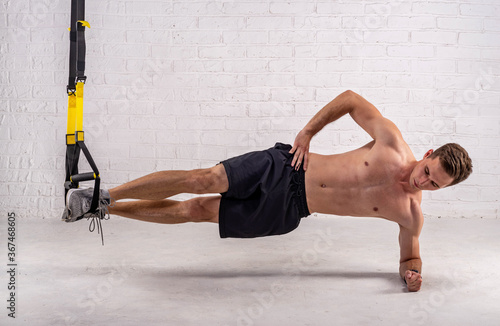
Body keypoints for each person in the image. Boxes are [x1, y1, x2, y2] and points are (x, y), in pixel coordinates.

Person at [63, 90, 472, 292]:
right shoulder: (392, 142)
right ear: (428, 153)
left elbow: (410, 255)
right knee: (203, 179)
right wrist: (308, 132)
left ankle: (101, 209)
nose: (422, 182)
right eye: (427, 171)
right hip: (287, 165)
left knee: (199, 211)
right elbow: (350, 99)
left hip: (290, 212)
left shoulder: (411, 214)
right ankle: (106, 193)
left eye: (434, 185)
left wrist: (411, 274)